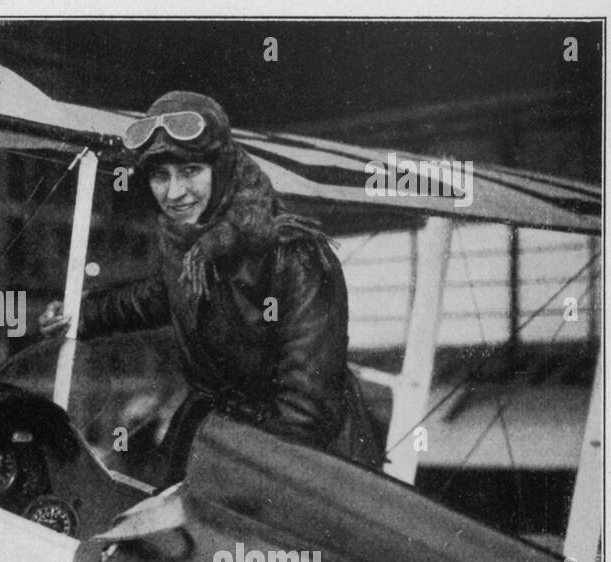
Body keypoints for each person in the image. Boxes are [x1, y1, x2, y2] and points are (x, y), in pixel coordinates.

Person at [41, 91, 383, 469]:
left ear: (221, 170)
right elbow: (157, 296)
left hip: (306, 462)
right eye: (160, 175)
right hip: (221, 435)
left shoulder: (294, 256)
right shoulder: (188, 250)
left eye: (190, 171)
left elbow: (307, 405)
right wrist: (79, 313)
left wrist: (237, 472)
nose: (174, 193)